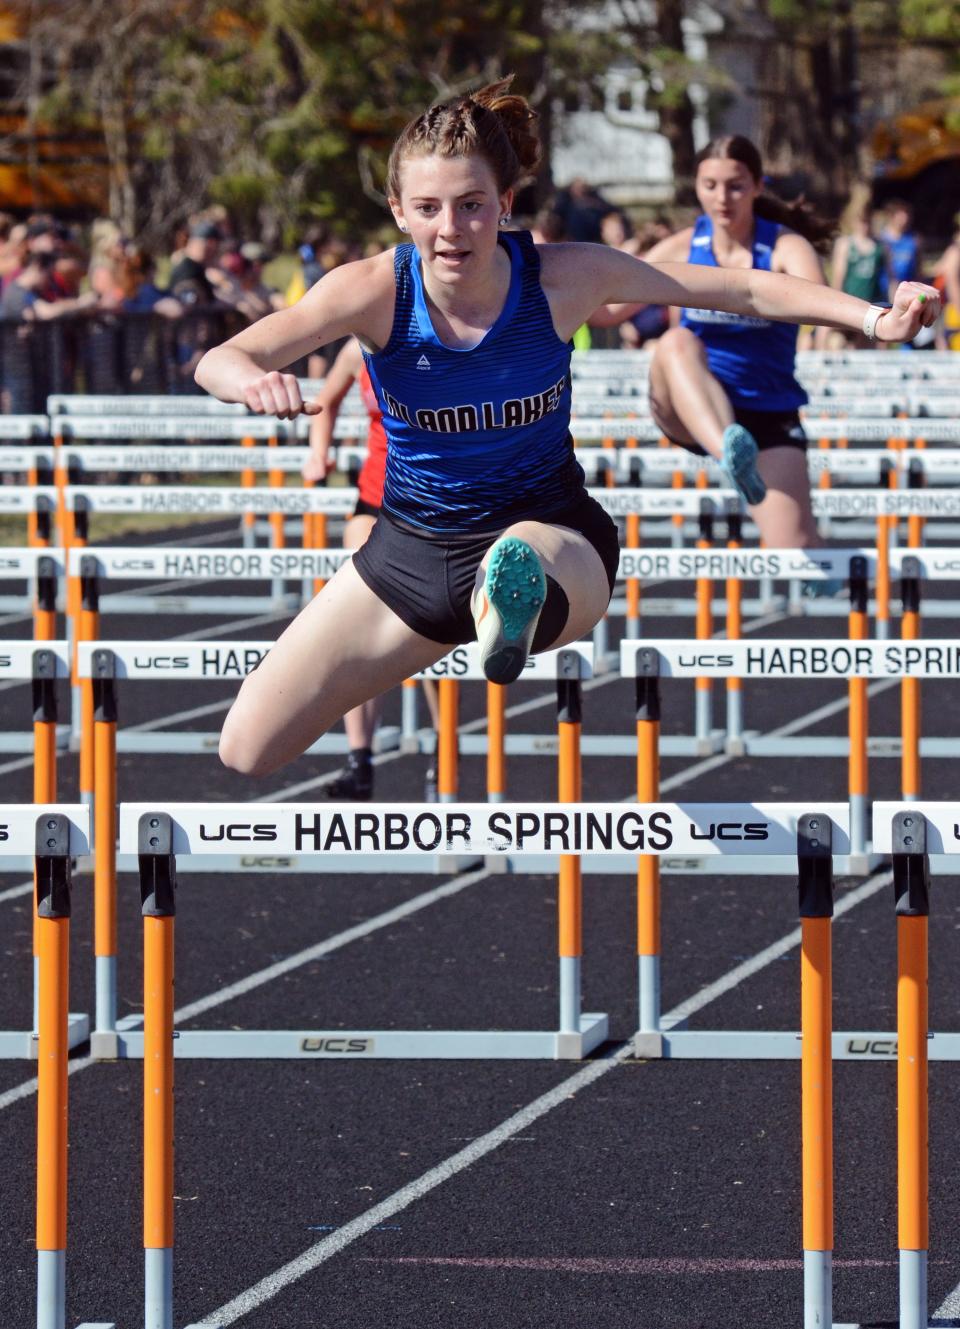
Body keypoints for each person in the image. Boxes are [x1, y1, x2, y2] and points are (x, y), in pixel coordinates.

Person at [194, 80, 939, 780]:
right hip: (413, 550)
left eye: (472, 205)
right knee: (247, 748)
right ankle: (471, 617)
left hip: (551, 539)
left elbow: (741, 286)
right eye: (428, 208)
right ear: (397, 210)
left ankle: (504, 596)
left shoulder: (563, 276)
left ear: (506, 202)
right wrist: (251, 382)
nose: (450, 230)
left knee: (520, 553)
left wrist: (874, 317)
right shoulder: (370, 290)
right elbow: (223, 356)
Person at [599, 135, 846, 551]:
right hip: (691, 406)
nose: (722, 198)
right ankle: (729, 452)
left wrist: (876, 317)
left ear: (757, 187)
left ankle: (740, 455)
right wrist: (578, 268)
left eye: (735, 185)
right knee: (675, 341)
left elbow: (819, 303)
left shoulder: (784, 246)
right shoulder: (682, 246)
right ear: (696, 186)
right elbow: (605, 312)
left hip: (768, 410)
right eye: (709, 185)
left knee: (798, 552)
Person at [303, 337, 440, 799]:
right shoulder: (352, 350)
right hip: (374, 497)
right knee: (362, 621)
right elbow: (326, 398)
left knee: (429, 626)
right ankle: (359, 759)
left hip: (434, 503)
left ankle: (443, 749)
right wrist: (318, 450)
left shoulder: (435, 338)